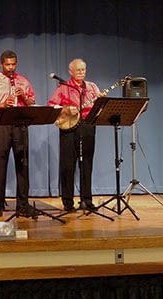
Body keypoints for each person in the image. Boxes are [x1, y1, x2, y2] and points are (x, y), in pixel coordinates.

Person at [0, 50, 36, 217]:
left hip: (20, 126)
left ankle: (23, 205)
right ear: (1, 64)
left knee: (23, 166)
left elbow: (32, 103)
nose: (11, 68)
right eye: (7, 64)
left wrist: (24, 98)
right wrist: (2, 105)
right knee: (0, 166)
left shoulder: (23, 81)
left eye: (13, 64)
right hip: (3, 126)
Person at [47, 58, 102, 212]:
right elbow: (52, 105)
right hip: (69, 128)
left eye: (83, 69)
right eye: (78, 70)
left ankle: (87, 200)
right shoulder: (64, 87)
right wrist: (65, 109)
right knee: (68, 165)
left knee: (86, 164)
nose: (81, 72)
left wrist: (100, 101)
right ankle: (68, 202)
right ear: (71, 72)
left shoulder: (92, 87)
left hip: (87, 126)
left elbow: (99, 105)